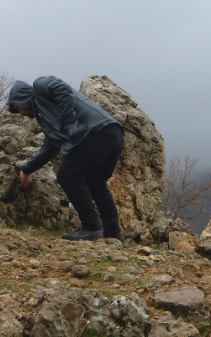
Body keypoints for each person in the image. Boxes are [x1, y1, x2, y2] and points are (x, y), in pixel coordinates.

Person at [7, 76, 125, 242]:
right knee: (95, 182)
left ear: (21, 98)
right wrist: (27, 170)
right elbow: (51, 148)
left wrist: (68, 123)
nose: (21, 114)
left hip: (96, 132)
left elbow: (60, 88)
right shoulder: (47, 119)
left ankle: (91, 227)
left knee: (68, 176)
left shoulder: (40, 86)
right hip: (112, 133)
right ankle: (113, 233)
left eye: (17, 108)